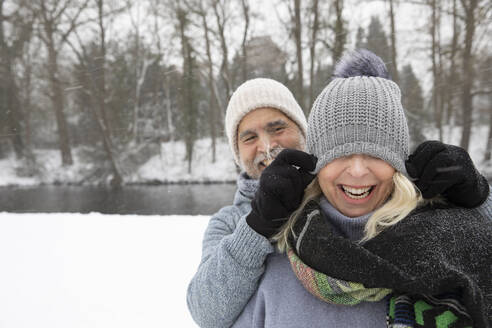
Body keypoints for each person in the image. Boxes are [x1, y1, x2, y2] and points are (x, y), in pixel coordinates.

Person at [186, 77, 491, 328]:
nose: (267, 146)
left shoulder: (431, 219)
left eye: (278, 128)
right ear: (237, 151)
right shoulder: (252, 236)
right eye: (248, 137)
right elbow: (208, 311)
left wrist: (477, 201)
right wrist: (256, 227)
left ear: (308, 138)